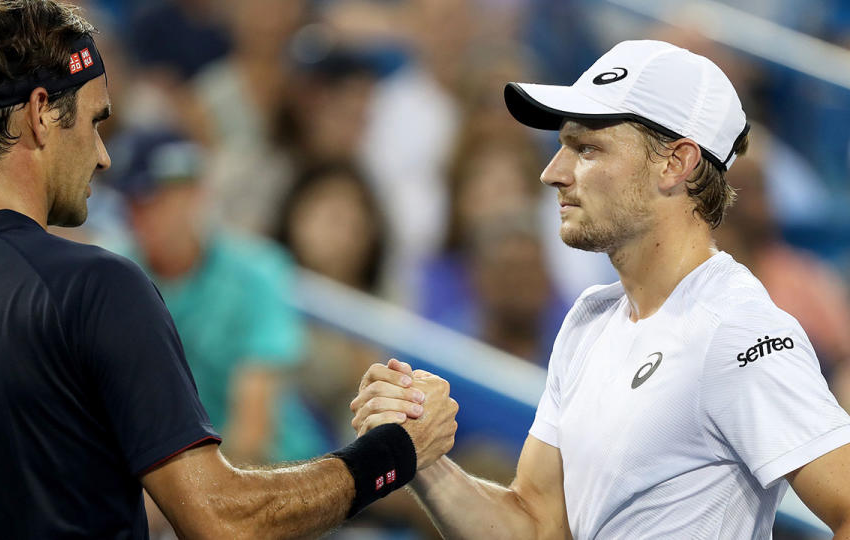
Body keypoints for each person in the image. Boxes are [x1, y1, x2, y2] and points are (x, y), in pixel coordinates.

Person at [0, 1, 457, 538]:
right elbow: (222, 521)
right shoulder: (96, 288)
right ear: (41, 113)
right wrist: (393, 452)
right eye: (93, 122)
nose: (103, 155)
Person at [351, 40, 850, 537]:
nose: (553, 173)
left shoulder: (737, 330)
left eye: (587, 148)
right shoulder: (590, 317)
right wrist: (420, 455)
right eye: (563, 146)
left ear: (676, 163)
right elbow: (536, 524)